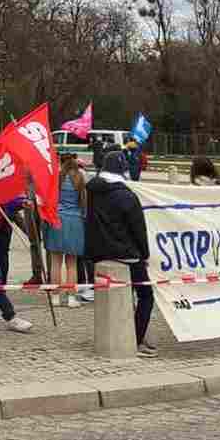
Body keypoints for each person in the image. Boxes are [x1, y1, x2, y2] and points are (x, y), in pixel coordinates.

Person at [86, 150, 156, 357]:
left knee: (113, 297)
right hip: (126, 253)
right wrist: (144, 254)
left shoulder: (93, 191)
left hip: (100, 252)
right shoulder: (126, 195)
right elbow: (138, 229)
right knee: (145, 296)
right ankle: (136, 338)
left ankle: (114, 335)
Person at [0, 196, 34, 333]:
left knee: (1, 273)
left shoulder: (2, 178)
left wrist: (22, 203)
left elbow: (9, 194)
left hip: (2, 231)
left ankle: (3, 313)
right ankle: (10, 316)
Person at [47, 153, 86, 308]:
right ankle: (71, 298)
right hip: (75, 220)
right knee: (72, 263)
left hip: (57, 219)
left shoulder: (57, 177)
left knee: (55, 262)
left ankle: (55, 297)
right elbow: (84, 202)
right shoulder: (80, 178)